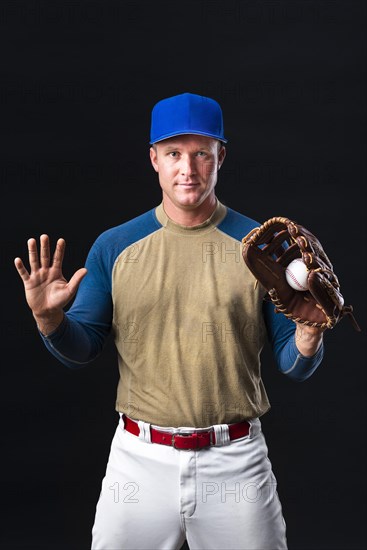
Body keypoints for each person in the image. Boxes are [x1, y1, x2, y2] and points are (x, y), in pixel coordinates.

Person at [14, 92, 325, 550]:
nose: (189, 169)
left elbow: (291, 363)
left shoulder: (261, 248)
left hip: (234, 458)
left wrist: (308, 334)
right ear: (153, 159)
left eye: (203, 153)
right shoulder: (116, 245)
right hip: (139, 457)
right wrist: (49, 318)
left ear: (222, 156)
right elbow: (82, 347)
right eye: (175, 153)